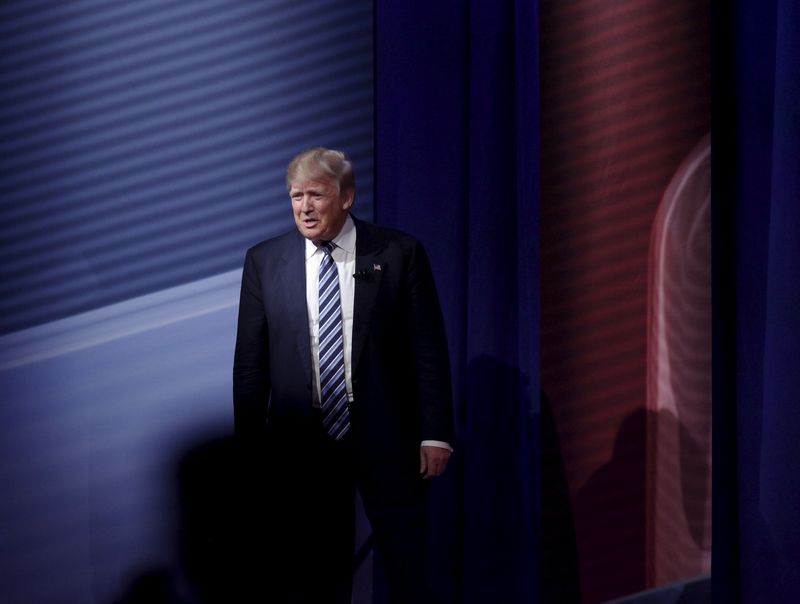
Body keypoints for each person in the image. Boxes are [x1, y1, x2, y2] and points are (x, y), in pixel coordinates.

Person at [232, 147, 454, 603]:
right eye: (296, 196)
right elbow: (250, 365)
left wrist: (435, 433)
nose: (305, 207)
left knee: (406, 562)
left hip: (386, 433)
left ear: (347, 197)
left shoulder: (397, 253)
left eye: (316, 194)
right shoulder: (265, 261)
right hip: (304, 438)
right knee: (315, 568)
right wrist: (250, 446)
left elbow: (426, 349)